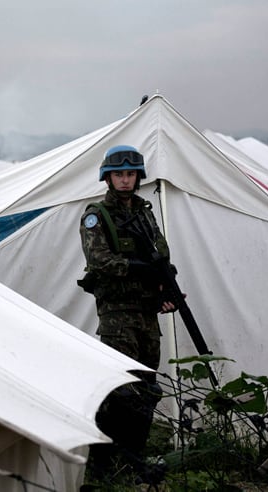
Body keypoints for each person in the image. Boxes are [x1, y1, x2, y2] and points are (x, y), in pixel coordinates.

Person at [78, 145, 179, 483]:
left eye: (130, 174)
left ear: (138, 178)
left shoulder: (144, 212)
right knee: (120, 392)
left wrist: (166, 289)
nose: (125, 179)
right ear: (108, 177)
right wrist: (137, 267)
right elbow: (99, 261)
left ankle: (133, 463)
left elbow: (160, 253)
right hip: (118, 314)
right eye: (119, 174)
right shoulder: (97, 214)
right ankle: (102, 467)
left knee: (148, 389)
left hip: (147, 314)